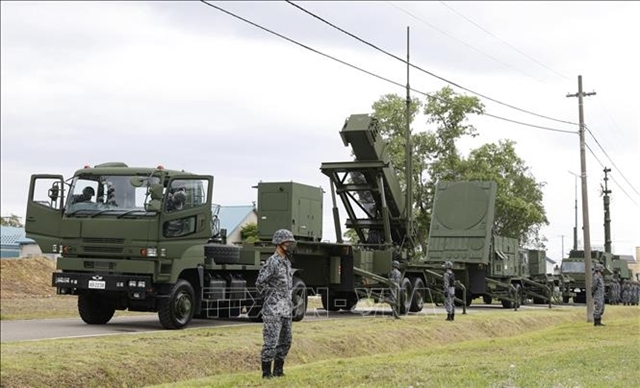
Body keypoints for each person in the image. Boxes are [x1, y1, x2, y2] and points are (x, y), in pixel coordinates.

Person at [255, 229, 296, 379]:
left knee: (286, 341)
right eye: (288, 242)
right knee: (271, 342)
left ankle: (278, 371)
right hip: (273, 310)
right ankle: (266, 374)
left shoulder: (286, 262)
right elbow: (259, 283)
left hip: (286, 309)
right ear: (280, 243)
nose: (291, 245)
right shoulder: (272, 262)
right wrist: (272, 296)